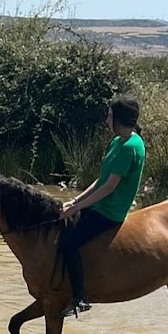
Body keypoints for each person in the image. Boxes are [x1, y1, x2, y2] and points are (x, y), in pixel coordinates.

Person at [59, 96, 145, 317]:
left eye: (109, 116)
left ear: (119, 118)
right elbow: (101, 179)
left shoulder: (130, 147)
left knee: (70, 243)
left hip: (111, 211)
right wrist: (76, 201)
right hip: (100, 204)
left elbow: (109, 187)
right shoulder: (117, 142)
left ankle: (79, 298)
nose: (106, 120)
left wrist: (78, 208)